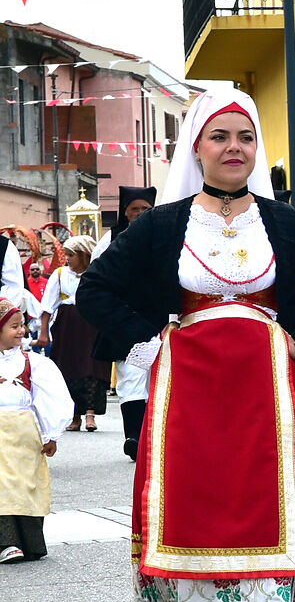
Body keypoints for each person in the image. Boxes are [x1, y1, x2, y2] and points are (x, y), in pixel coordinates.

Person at [79, 87, 295, 602]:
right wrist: (149, 346)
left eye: (245, 137)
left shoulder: (286, 223)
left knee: (263, 513)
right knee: (194, 512)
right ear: (197, 148)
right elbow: (96, 289)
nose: (234, 149)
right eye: (220, 137)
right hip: (190, 394)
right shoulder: (160, 226)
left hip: (267, 394)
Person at [0, 299, 69, 564]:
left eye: (21, 326)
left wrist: (51, 433)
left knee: (27, 484)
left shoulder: (32, 362)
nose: (21, 331)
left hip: (24, 433)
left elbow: (50, 396)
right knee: (3, 485)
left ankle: (30, 542)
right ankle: (7, 542)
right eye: (13, 327)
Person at [102, 188, 159, 458]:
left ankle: (155, 437)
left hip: (159, 318)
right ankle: (134, 437)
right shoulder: (110, 239)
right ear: (124, 212)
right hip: (125, 318)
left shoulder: (163, 236)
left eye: (145, 209)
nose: (139, 214)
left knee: (158, 379)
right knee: (130, 378)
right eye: (134, 209)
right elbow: (98, 277)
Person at [44, 235, 106, 432]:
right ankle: (74, 415)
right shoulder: (60, 275)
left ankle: (90, 414)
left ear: (83, 255)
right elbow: (47, 305)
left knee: (93, 366)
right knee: (68, 367)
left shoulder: (97, 273)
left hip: (93, 323)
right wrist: (44, 332)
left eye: (71, 255)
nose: (67, 259)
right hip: (67, 325)